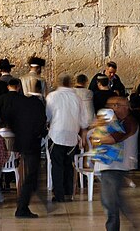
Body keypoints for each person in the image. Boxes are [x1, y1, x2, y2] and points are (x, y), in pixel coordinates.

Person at [93, 96, 140, 231]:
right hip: (111, 165)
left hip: (117, 166)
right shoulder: (117, 121)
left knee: (109, 201)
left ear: (121, 106)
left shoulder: (129, 122)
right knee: (115, 198)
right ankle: (133, 221)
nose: (110, 108)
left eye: (112, 105)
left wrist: (97, 138)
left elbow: (113, 139)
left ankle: (116, 227)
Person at [46, 74, 89, 203]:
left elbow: (47, 116)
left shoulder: (52, 96)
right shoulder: (77, 98)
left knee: (57, 165)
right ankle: (68, 192)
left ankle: (59, 195)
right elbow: (84, 121)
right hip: (72, 136)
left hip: (56, 135)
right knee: (69, 165)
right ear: (71, 83)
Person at [7, 84, 47, 219]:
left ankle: (32, 194)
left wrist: (19, 135)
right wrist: (39, 134)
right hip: (32, 143)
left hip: (21, 142)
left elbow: (11, 120)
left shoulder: (19, 102)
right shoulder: (38, 104)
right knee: (31, 175)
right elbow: (42, 123)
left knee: (31, 173)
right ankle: (22, 208)